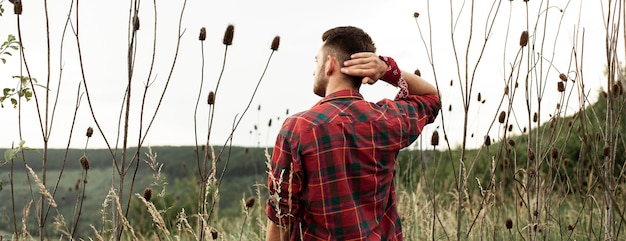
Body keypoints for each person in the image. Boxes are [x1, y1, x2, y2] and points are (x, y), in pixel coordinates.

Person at [266, 26, 441, 241]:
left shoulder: (299, 128)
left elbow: (281, 215)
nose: (314, 70)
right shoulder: (388, 119)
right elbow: (432, 98)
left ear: (330, 64)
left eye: (316, 61)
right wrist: (386, 70)